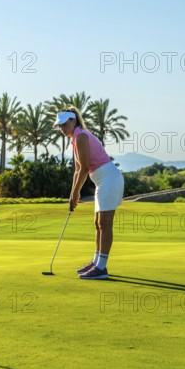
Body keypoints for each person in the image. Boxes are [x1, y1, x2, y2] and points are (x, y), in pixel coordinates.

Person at [54, 108, 124, 280]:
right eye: (60, 126)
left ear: (73, 121)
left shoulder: (82, 136)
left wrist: (76, 192)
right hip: (102, 182)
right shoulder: (75, 138)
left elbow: (84, 168)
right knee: (98, 223)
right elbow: (78, 169)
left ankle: (101, 268)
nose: (62, 128)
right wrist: (73, 194)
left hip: (109, 179)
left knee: (105, 223)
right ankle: (96, 262)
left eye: (64, 124)